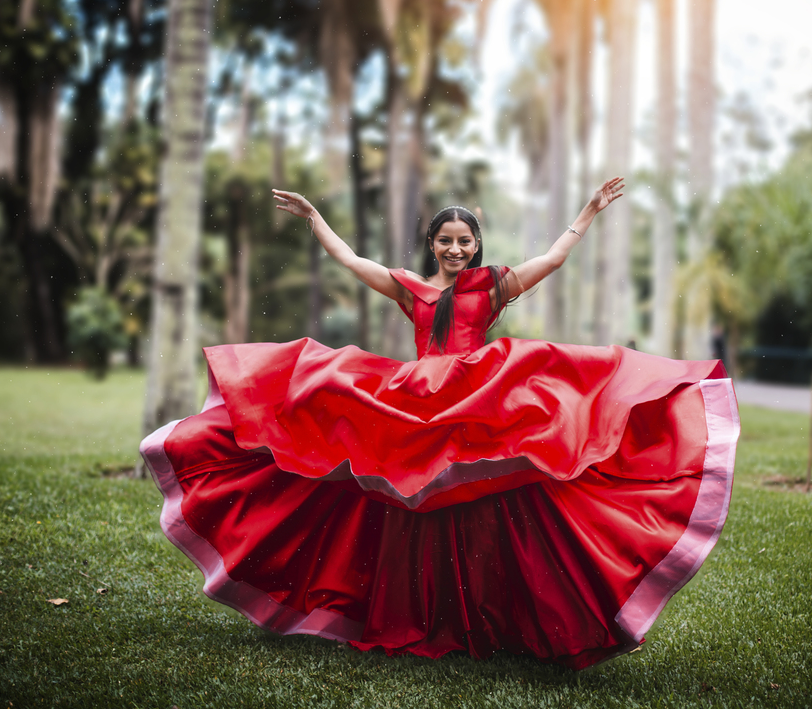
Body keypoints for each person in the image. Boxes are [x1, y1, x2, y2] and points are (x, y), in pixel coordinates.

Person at [139, 178, 739, 670]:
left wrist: (587, 210)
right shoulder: (412, 292)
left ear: (476, 245)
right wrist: (316, 217)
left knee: (486, 499)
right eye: (446, 241)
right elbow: (352, 261)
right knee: (401, 494)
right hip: (414, 404)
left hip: (478, 401)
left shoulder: (492, 287)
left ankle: (491, 613)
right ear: (433, 246)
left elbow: (552, 258)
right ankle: (411, 610)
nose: (456, 250)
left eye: (465, 241)